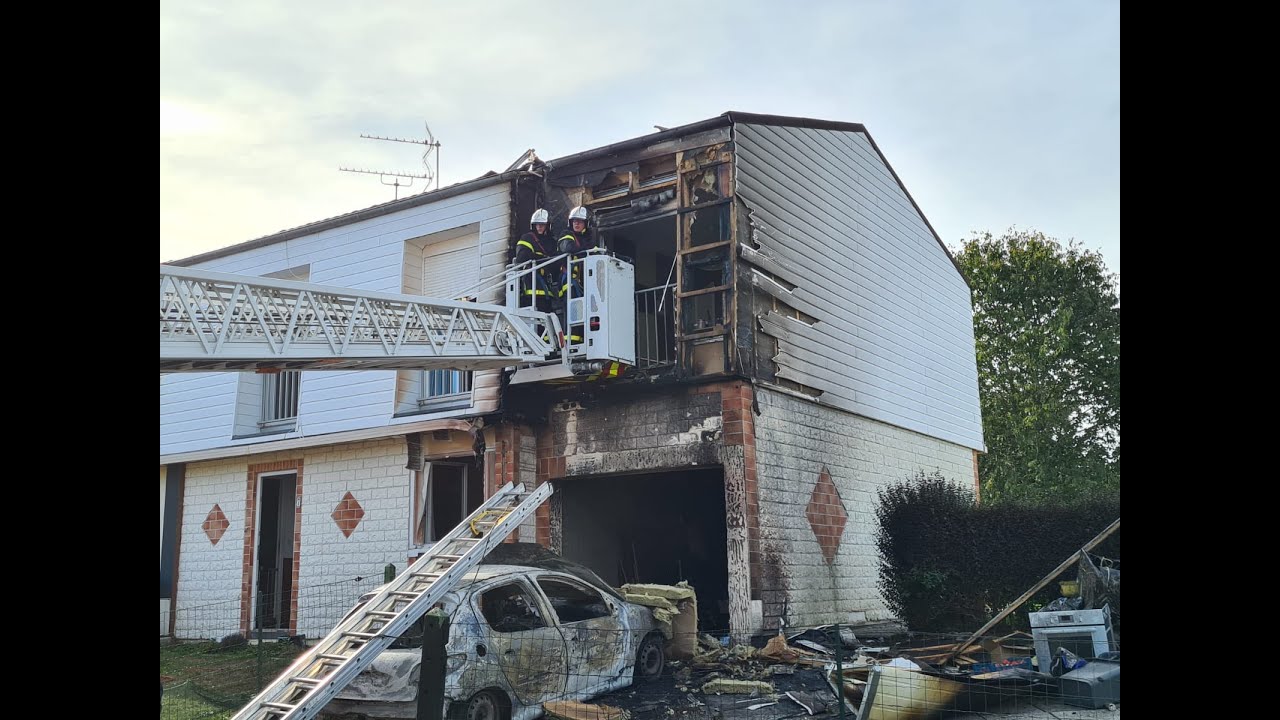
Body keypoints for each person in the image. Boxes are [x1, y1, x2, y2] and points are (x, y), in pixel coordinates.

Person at [513, 209, 557, 326]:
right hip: (531, 285)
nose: (539, 227)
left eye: (542, 225)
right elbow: (522, 257)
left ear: (548, 226)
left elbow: (554, 261)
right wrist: (541, 257)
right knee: (535, 318)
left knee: (547, 318)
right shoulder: (527, 238)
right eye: (537, 225)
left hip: (546, 288)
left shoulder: (551, 242)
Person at [557, 206, 593, 344]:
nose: (576, 224)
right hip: (568, 280)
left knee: (580, 311)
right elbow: (568, 248)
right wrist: (586, 251)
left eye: (580, 221)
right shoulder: (566, 234)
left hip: (580, 282)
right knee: (572, 310)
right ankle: (572, 341)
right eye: (574, 221)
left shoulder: (586, 239)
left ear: (585, 223)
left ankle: (578, 339)